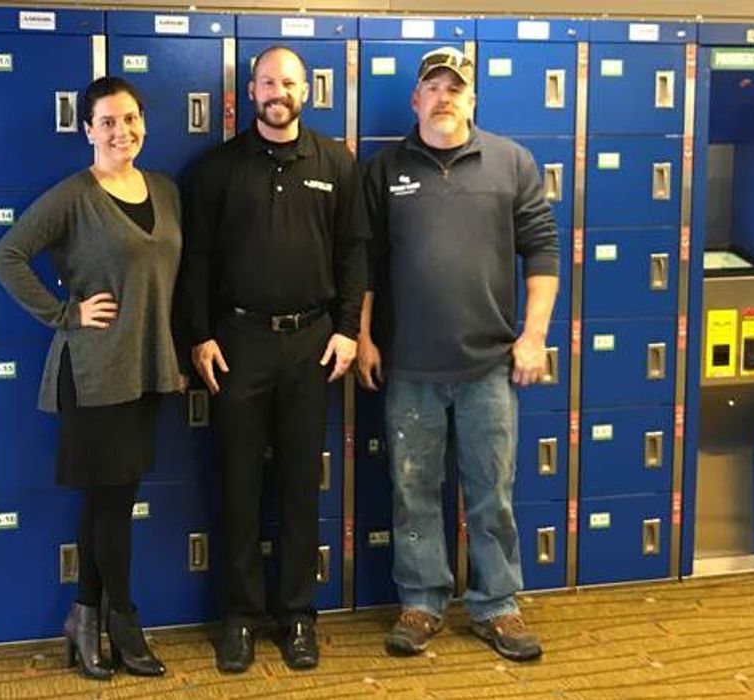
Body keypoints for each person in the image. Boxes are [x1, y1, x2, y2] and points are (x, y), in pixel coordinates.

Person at [357, 46, 559, 662]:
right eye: (433, 88)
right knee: (412, 489)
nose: (444, 97)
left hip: (489, 364)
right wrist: (364, 336)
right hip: (409, 366)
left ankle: (497, 604)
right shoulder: (385, 168)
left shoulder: (511, 162)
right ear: (416, 99)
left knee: (491, 491)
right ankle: (421, 601)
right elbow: (363, 259)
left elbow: (543, 251)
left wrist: (534, 336)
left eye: (456, 88)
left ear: (472, 99)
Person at [179, 45, 370, 673]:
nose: (277, 91)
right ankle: (237, 616)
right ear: (250, 91)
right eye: (266, 81)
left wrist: (347, 330)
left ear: (308, 90)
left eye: (288, 81)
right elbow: (196, 261)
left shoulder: (337, 164)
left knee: (297, 484)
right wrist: (199, 334)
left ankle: (296, 615)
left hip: (312, 344)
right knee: (237, 481)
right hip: (239, 344)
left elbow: (353, 256)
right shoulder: (217, 169)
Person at [0, 76, 181, 681]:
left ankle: (85, 616)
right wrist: (65, 313)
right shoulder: (74, 195)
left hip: (147, 365)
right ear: (87, 131)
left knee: (113, 500)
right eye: (107, 122)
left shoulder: (167, 192)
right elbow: (5, 257)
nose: (121, 131)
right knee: (110, 502)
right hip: (95, 371)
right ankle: (121, 618)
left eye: (130, 119)